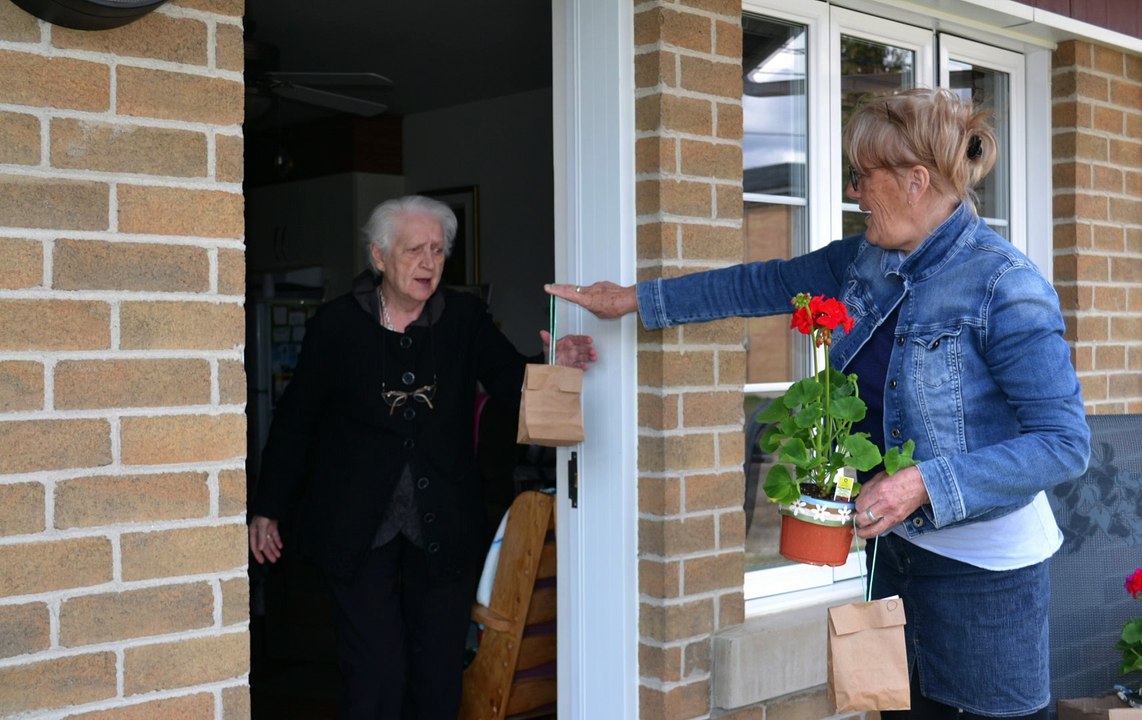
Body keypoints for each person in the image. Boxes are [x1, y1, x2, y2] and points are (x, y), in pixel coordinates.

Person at [547, 88, 1089, 720]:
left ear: (916, 181)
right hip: (898, 556)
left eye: (861, 176)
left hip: (987, 578)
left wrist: (921, 483)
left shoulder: (1007, 286)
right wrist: (633, 299)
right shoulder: (869, 261)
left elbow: (1064, 444)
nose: (854, 192)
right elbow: (762, 282)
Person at [248, 194, 596, 720]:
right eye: (414, 250)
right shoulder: (336, 326)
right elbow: (297, 420)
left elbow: (509, 381)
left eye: (437, 250)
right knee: (377, 675)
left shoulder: (464, 318)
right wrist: (268, 506)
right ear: (380, 257)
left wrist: (552, 363)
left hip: (445, 523)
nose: (429, 263)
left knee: (437, 675)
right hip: (358, 526)